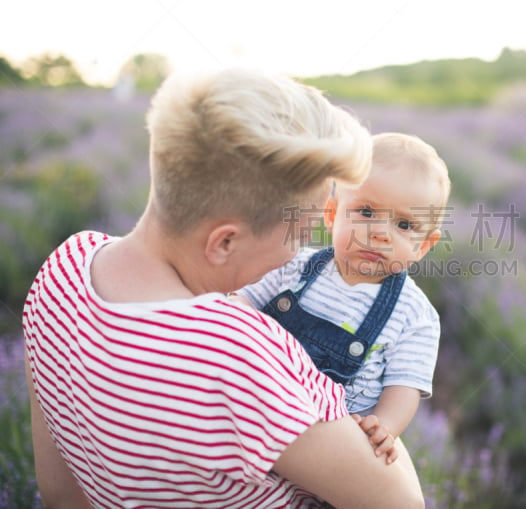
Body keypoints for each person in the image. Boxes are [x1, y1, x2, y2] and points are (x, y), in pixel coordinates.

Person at [22, 69, 425, 509]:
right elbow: (399, 503)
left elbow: (60, 494)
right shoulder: (237, 351)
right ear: (225, 242)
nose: (299, 255)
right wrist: (372, 415)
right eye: (299, 232)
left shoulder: (64, 266)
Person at [233, 132, 450, 465]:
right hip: (255, 408)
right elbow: (242, 306)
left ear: (423, 246)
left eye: (404, 224)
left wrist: (385, 426)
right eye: (365, 212)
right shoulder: (294, 264)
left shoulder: (415, 315)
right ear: (332, 214)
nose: (379, 233)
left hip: (330, 446)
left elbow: (403, 388)